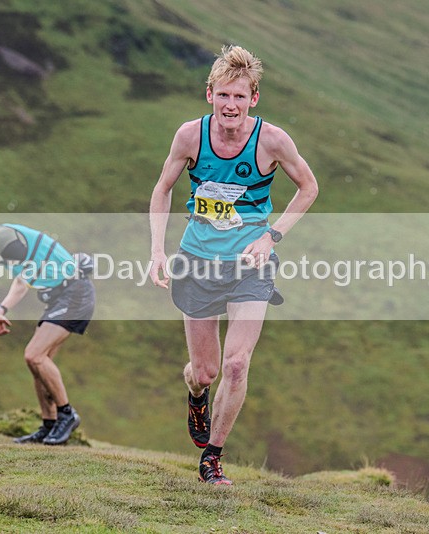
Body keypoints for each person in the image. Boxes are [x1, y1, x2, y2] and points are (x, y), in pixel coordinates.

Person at [149, 45, 318, 485]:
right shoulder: (190, 136)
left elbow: (309, 188)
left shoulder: (273, 140)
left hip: (250, 265)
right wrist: (157, 251)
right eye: (224, 95)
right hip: (197, 262)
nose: (231, 106)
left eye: (240, 97)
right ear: (210, 95)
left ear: (254, 99)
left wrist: (270, 235)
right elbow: (162, 189)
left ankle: (212, 458)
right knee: (205, 371)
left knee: (238, 364)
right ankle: (195, 393)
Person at [0, 209, 94, 446]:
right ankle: (49, 425)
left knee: (34, 356)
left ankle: (67, 414)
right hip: (62, 296)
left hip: (74, 293)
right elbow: (21, 282)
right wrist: (1, 311)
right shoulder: (8, 240)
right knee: (39, 364)